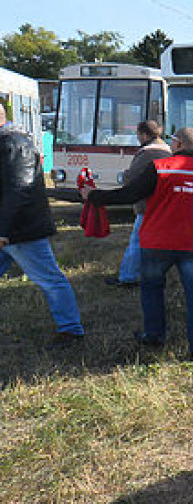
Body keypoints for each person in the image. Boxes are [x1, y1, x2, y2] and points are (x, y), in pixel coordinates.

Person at [82, 126, 193, 360]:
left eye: (172, 140)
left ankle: (154, 335)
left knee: (151, 289)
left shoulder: (160, 169)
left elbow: (129, 194)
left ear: (179, 144)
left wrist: (95, 196)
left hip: (158, 241)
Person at [0, 103, 85, 345]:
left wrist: (3, 230)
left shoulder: (13, 144)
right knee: (50, 278)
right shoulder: (9, 141)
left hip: (20, 229)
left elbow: (18, 189)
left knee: (49, 279)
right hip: (12, 228)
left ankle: (71, 329)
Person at [104, 120, 171, 288]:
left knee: (137, 241)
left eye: (138, 135)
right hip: (165, 204)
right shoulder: (168, 150)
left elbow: (132, 177)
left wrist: (125, 175)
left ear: (144, 135)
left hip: (147, 203)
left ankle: (128, 276)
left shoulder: (147, 152)